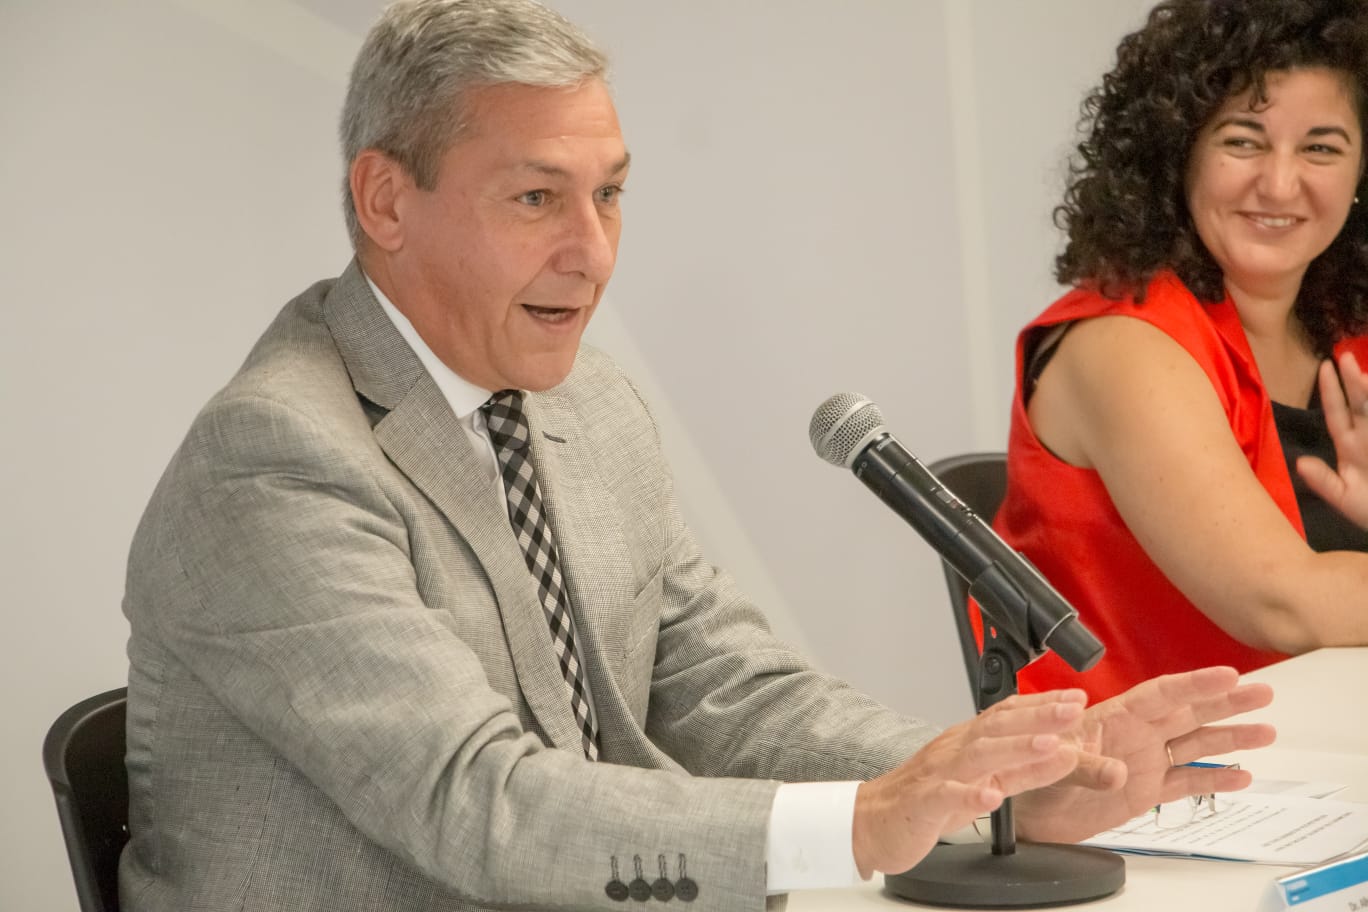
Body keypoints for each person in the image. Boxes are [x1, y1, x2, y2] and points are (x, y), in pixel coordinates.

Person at [118, 2, 1275, 910]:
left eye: (610, 196)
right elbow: (477, 805)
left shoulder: (589, 405)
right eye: (535, 198)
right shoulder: (274, 459)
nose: (591, 253)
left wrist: (986, 782)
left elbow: (722, 683)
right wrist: (867, 819)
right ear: (385, 199)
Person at [995, 0, 1368, 705]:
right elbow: (1282, 605)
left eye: (1321, 147)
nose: (1281, 184)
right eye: (1243, 141)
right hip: (1151, 790)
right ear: (1177, 155)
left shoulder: (1343, 332)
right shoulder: (1124, 344)